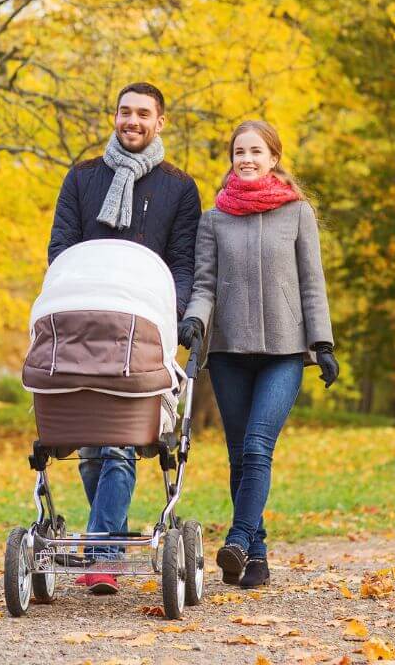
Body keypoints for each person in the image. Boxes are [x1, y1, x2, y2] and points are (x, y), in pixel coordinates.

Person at [47, 81, 202, 595]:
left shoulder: (180, 189)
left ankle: (103, 553)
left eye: (143, 114)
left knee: (116, 447)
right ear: (114, 117)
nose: (132, 121)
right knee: (92, 451)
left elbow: (182, 264)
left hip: (141, 332)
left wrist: (169, 317)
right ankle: (103, 538)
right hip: (85, 328)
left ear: (160, 123)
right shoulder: (83, 177)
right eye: (124, 112)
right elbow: (61, 250)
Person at [178, 119, 339, 588]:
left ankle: (239, 538)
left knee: (256, 447)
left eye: (255, 151)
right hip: (228, 351)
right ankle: (256, 556)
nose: (245, 159)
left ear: (273, 158)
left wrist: (322, 343)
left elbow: (312, 283)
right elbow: (205, 284)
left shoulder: (297, 213)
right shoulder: (214, 219)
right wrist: (195, 319)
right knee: (237, 455)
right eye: (238, 152)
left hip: (284, 352)